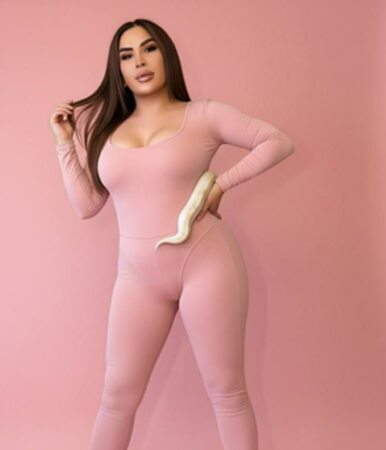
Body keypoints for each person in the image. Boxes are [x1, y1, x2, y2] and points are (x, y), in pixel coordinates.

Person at [49, 18, 294, 450]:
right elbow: (87, 206)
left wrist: (221, 184)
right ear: (118, 70)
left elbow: (277, 141)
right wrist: (65, 142)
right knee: (116, 398)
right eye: (127, 56)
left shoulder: (203, 115)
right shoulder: (107, 132)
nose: (139, 62)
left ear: (166, 55)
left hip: (206, 263)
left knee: (226, 391)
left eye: (149, 49)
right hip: (137, 278)